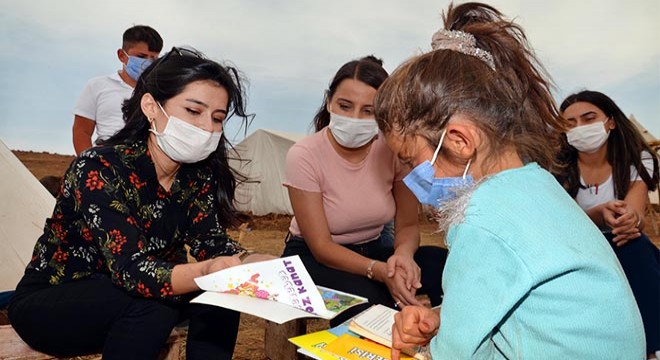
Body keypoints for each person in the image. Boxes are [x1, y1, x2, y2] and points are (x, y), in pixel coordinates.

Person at [375, 3, 645, 358]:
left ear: (459, 141)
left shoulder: (483, 221)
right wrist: (442, 320)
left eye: (411, 160)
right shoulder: (536, 185)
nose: (410, 176)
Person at [9, 47, 271, 360]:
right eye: (193, 111)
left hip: (134, 300)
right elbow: (131, 270)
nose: (207, 128)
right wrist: (208, 270)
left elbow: (211, 244)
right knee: (151, 302)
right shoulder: (100, 168)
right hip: (54, 302)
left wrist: (250, 260)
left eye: (217, 118)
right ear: (151, 106)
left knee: (223, 294)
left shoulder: (196, 177)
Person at [281, 56, 446, 327]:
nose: (354, 118)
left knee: (441, 264)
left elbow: (406, 225)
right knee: (369, 300)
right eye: (345, 106)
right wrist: (380, 271)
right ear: (329, 102)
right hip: (314, 257)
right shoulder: (304, 155)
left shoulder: (392, 149)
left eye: (368, 111)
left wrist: (402, 257)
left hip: (374, 249)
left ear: (384, 112)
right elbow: (322, 247)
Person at [557, 90, 660, 357]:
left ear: (610, 122)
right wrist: (597, 213)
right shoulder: (557, 169)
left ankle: (650, 349)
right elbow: (560, 223)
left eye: (588, 118)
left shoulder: (636, 159)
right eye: (570, 123)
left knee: (633, 245)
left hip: (621, 243)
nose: (580, 127)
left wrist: (628, 218)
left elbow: (635, 211)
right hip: (577, 248)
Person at [73, 25, 163, 155]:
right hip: (106, 158)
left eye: (153, 58)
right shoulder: (97, 86)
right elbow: (81, 131)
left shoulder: (163, 91)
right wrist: (88, 165)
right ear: (122, 55)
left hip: (150, 161)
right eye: (141, 56)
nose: (147, 62)